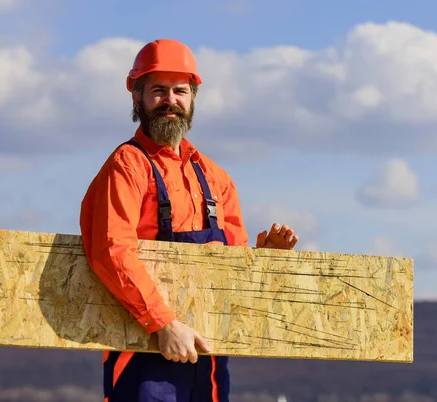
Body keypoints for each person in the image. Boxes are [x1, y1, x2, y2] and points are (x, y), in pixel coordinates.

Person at [79, 38, 299, 402]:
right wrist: (163, 324)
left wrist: (267, 260)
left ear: (193, 98)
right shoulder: (128, 166)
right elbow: (111, 250)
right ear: (137, 97)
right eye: (158, 91)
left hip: (208, 352)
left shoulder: (215, 177)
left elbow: (231, 268)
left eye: (180, 91)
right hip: (143, 349)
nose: (170, 101)